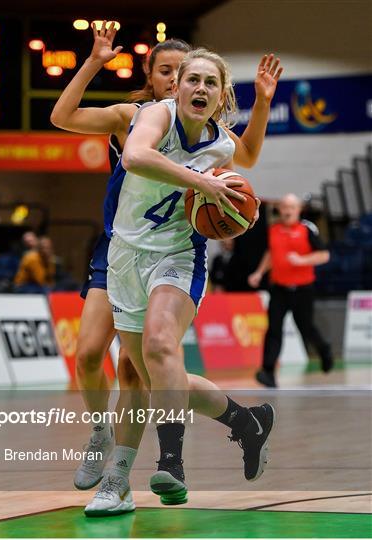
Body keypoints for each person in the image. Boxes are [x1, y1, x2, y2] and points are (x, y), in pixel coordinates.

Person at [95, 47, 282, 511]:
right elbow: (136, 157)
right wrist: (203, 183)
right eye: (192, 79)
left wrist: (262, 102)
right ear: (176, 86)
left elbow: (251, 154)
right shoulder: (154, 115)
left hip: (178, 258)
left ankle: (171, 463)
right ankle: (247, 422)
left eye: (210, 83)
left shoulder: (221, 144)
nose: (200, 88)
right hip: (125, 257)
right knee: (155, 374)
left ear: (221, 97)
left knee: (161, 347)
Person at [51, 23, 192, 498]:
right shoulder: (129, 116)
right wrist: (94, 62)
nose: (174, 79)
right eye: (165, 71)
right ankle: (99, 432)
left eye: (182, 71)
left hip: (164, 258)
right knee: (89, 355)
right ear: (151, 77)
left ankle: (121, 474)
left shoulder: (204, 129)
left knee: (133, 370)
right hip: (116, 249)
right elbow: (61, 116)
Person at [248, 193, 333, 388]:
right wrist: (259, 273)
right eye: (284, 207)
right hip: (279, 288)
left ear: (298, 210)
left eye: (291, 208)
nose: (287, 211)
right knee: (274, 329)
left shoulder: (307, 229)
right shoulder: (274, 229)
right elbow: (271, 253)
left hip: (303, 289)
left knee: (305, 326)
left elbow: (324, 255)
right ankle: (268, 372)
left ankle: (324, 350)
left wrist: (302, 260)